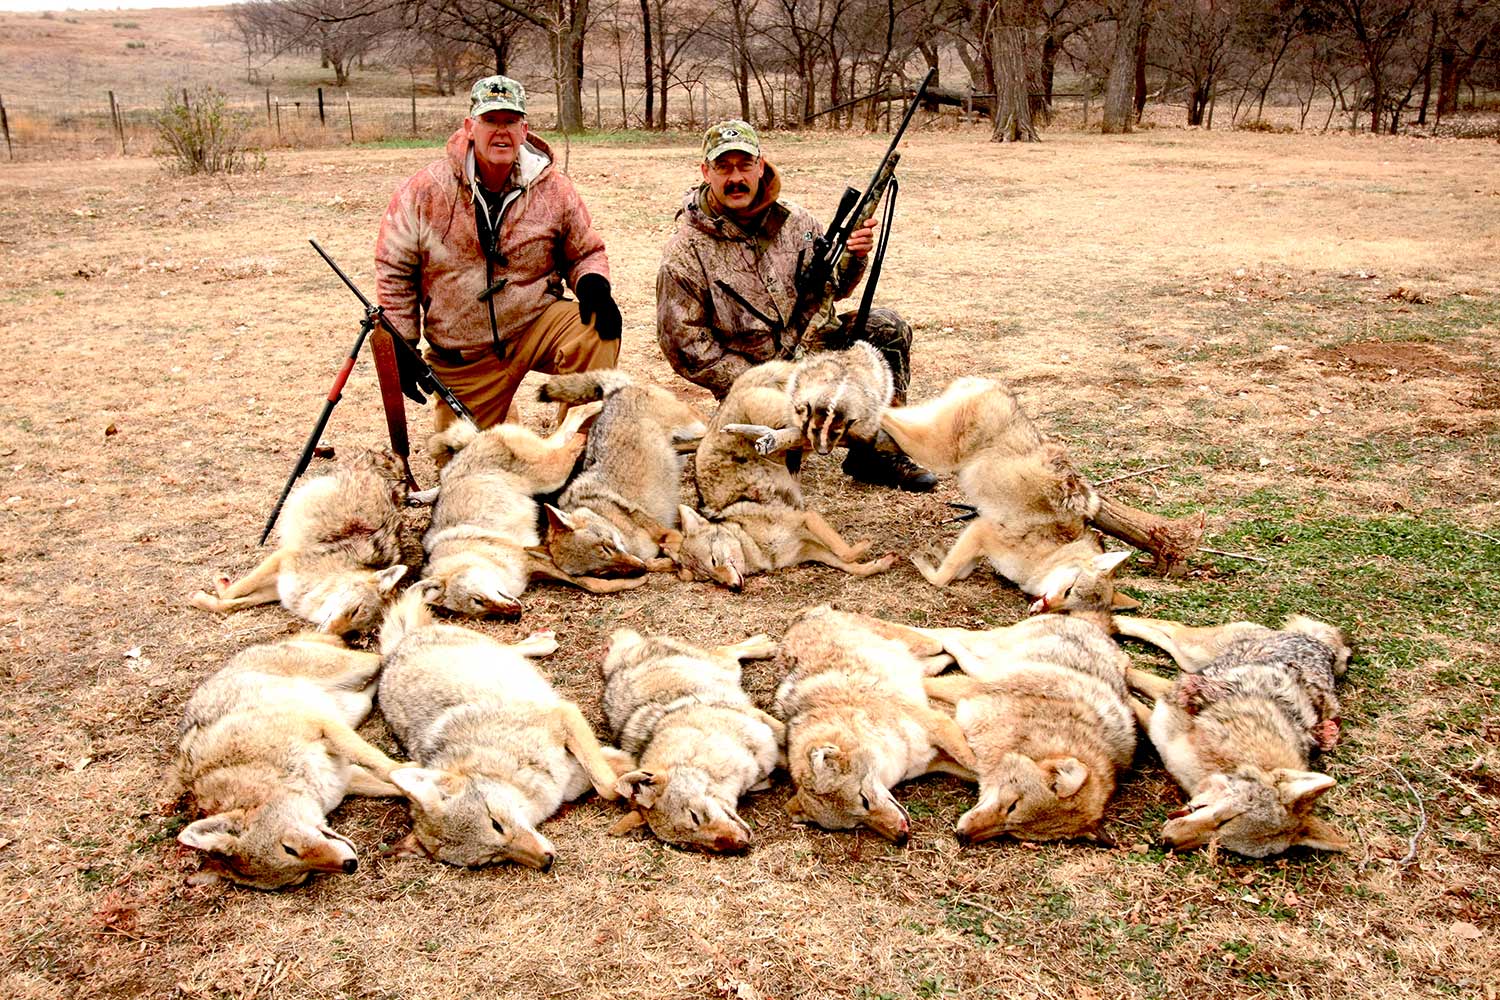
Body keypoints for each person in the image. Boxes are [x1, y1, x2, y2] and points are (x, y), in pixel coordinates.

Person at [655, 119, 936, 491]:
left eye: (744, 165)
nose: (735, 178)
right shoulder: (685, 252)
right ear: (706, 172)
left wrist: (855, 255)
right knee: (758, 484)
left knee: (886, 328)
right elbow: (686, 348)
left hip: (815, 351)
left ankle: (877, 453)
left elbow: (834, 289)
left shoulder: (797, 222)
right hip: (755, 377)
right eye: (723, 167)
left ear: (760, 166)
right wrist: (763, 381)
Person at [375, 74, 622, 431]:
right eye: (490, 120)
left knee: (596, 327)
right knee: (464, 459)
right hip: (467, 353)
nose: (501, 131)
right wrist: (402, 340)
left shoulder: (553, 188)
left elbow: (585, 252)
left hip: (534, 324)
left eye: (510, 121)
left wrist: (593, 284)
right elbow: (394, 267)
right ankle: (499, 414)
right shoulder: (425, 190)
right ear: (470, 127)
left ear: (524, 130)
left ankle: (579, 443)